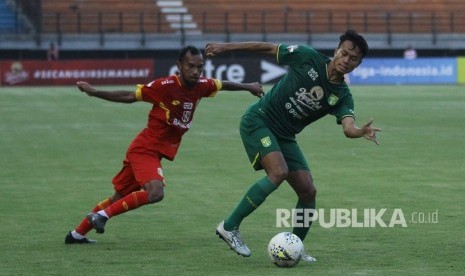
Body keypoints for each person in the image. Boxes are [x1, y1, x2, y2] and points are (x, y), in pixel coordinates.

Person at [205, 29, 381, 262]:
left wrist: (359, 132)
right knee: (278, 172)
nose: (346, 60)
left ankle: (295, 246)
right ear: (336, 50)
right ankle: (229, 226)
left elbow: (348, 127)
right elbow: (268, 48)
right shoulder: (308, 57)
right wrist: (227, 48)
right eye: (344, 53)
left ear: (358, 64)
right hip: (259, 120)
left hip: (285, 136)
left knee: (308, 191)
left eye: (353, 59)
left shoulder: (342, 96)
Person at [65, 46, 264, 244]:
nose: (195, 71)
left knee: (118, 197)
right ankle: (101, 216)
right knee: (155, 193)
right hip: (145, 149)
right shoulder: (165, 86)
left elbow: (222, 84)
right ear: (179, 66)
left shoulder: (201, 85)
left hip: (152, 151)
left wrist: (249, 86)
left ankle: (76, 234)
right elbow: (129, 96)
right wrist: (94, 92)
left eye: (200, 67)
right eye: (190, 66)